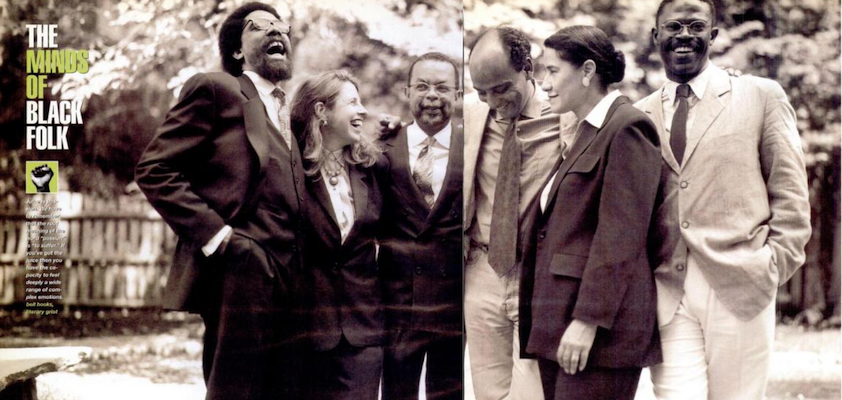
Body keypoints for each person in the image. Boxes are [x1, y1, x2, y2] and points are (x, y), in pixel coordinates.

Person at [635, 1, 812, 398]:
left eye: (696, 26)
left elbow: (791, 192)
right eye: (673, 26)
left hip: (741, 282)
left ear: (712, 35)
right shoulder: (638, 115)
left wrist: (770, 266)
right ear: (656, 35)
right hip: (667, 288)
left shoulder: (760, 96)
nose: (684, 35)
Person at [135, 3, 305, 400]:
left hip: (295, 278)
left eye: (281, 26)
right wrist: (219, 237)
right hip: (241, 269)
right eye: (258, 26)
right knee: (234, 391)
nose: (275, 31)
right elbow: (154, 169)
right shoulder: (216, 89)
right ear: (237, 50)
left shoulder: (289, 113)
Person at [519, 25, 663, 400]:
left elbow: (621, 237)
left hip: (598, 334)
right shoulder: (587, 131)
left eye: (553, 71)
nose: (544, 83)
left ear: (587, 71)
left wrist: (587, 321)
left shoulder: (628, 127)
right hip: (560, 322)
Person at [463, 26, 574, 400]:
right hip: (482, 270)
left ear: (528, 67)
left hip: (536, 274)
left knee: (533, 392)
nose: (492, 101)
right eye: (482, 92)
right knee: (488, 392)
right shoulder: (472, 114)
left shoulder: (566, 115)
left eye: (501, 89)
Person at [290, 70, 385, 400]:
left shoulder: (373, 167)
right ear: (321, 111)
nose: (363, 110)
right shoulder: (291, 170)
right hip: (304, 331)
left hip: (364, 331)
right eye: (353, 102)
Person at [377, 52, 463, 400]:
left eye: (442, 88)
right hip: (397, 301)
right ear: (406, 92)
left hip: (452, 303)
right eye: (423, 86)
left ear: (458, 95)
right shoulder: (381, 147)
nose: (432, 96)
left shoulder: (473, 145)